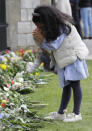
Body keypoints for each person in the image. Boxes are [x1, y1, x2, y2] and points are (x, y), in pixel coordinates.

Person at [31, 5, 89, 122]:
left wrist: (41, 38)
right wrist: (39, 40)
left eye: (40, 25)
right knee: (66, 86)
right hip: (65, 59)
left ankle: (77, 113)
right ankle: (61, 113)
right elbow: (50, 47)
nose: (39, 27)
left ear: (46, 20)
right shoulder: (52, 27)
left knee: (75, 84)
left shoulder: (63, 27)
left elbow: (54, 45)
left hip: (73, 58)